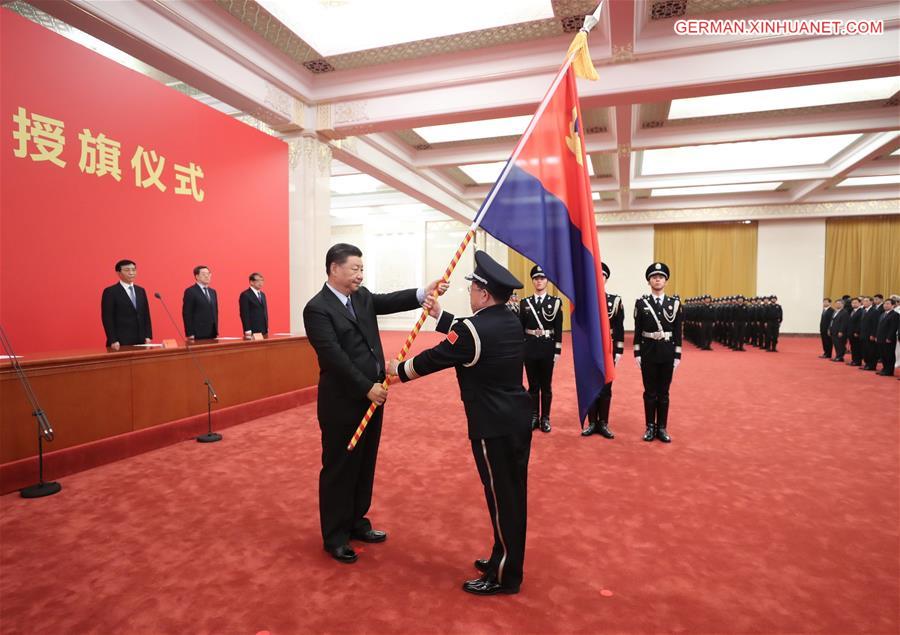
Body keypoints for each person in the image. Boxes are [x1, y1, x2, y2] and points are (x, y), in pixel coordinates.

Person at [388, 251, 532, 596]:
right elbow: (469, 335)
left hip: (491, 424)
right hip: (515, 419)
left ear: (483, 294)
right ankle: (502, 556)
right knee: (510, 494)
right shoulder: (509, 319)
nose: (470, 293)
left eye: (472, 289)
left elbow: (442, 354)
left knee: (502, 498)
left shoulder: (474, 329)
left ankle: (505, 575)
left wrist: (400, 369)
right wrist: (440, 316)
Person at [302, 243, 446, 564]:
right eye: (354, 269)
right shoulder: (318, 308)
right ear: (334, 268)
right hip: (343, 402)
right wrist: (366, 387)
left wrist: (424, 291)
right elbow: (334, 358)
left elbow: (388, 301)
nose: (360, 275)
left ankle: (357, 521)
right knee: (340, 467)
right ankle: (335, 535)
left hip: (374, 395)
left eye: (361, 269)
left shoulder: (362, 297)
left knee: (365, 463)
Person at [634, 262, 682, 443]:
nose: (657, 279)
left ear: (666, 281)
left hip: (667, 352)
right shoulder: (641, 303)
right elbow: (638, 331)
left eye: (661, 277)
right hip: (648, 352)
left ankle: (662, 427)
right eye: (654, 277)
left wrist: (677, 355)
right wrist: (637, 353)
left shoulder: (674, 304)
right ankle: (650, 427)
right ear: (649, 281)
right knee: (649, 391)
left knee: (664, 392)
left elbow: (678, 332)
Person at [519, 265, 563, 433]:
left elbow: (558, 328)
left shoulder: (555, 302)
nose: (539, 281)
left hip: (547, 347)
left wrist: (557, 350)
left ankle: (545, 418)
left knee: (546, 385)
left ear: (547, 281)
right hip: (529, 347)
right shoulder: (525, 303)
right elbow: (520, 329)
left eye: (542, 278)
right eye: (536, 278)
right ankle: (534, 416)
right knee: (532, 386)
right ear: (532, 281)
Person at [583, 262, 623, 439]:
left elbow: (619, 327)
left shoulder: (614, 301)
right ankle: (592, 422)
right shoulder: (584, 301)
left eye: (602, 276)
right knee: (591, 385)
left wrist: (619, 349)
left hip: (607, 348)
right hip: (590, 349)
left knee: (606, 386)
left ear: (606, 279)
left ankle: (603, 423)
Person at [101, 259, 152, 350]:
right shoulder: (110, 292)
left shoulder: (140, 290)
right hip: (121, 341)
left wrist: (148, 335)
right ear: (118, 273)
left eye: (133, 270)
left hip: (141, 340)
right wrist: (113, 340)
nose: (131, 273)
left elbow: (146, 314)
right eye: (127, 270)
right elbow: (107, 318)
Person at [182, 265, 218, 340]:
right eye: (204, 274)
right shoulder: (190, 291)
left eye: (208, 274)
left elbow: (215, 311)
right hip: (197, 333)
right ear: (197, 276)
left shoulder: (213, 292)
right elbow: (187, 313)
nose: (207, 276)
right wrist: (190, 333)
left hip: (212, 332)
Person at [239, 272, 268, 338]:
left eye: (262, 280)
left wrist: (266, 326)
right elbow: (244, 313)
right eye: (258, 280)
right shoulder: (245, 295)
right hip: (252, 329)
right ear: (251, 282)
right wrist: (247, 329)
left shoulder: (262, 295)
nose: (260, 283)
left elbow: (264, 311)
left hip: (263, 329)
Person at [875, 297, 898, 376]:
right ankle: (884, 369)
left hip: (888, 339)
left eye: (888, 304)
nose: (885, 305)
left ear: (893, 305)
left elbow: (893, 328)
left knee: (889, 355)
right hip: (880, 338)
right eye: (885, 304)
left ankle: (889, 371)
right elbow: (879, 327)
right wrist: (877, 336)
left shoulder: (895, 315)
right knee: (883, 354)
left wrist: (889, 337)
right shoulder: (882, 314)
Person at [847, 297, 863, 366]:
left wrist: (857, 332)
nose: (854, 304)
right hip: (851, 333)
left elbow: (860, 323)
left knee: (857, 347)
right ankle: (854, 360)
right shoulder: (852, 311)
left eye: (856, 303)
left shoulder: (861, 311)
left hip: (856, 333)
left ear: (860, 303)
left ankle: (858, 361)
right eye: (852, 303)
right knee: (853, 347)